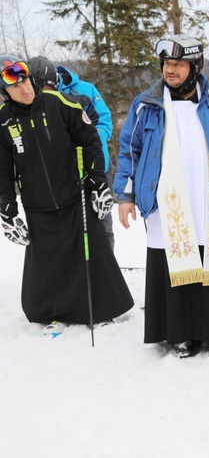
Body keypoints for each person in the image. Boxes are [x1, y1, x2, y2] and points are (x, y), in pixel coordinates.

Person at [114, 34, 209, 358]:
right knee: (172, 265)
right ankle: (180, 335)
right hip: (168, 204)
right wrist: (125, 196)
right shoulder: (146, 105)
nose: (170, 70)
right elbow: (129, 152)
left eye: (178, 64)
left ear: (194, 67)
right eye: (166, 64)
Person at [0, 55, 133, 337]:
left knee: (89, 254)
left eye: (24, 80)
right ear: (4, 92)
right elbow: (3, 171)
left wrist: (99, 184)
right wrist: (7, 212)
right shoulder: (4, 122)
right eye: (15, 86)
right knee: (50, 264)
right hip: (37, 205)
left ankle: (100, 310)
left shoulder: (60, 104)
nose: (24, 88)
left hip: (75, 196)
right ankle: (55, 314)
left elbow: (91, 142)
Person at [27, 57, 117, 250]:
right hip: (63, 172)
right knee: (72, 222)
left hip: (95, 165)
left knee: (101, 219)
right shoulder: (34, 98)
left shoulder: (84, 91)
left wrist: (89, 141)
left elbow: (104, 122)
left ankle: (105, 267)